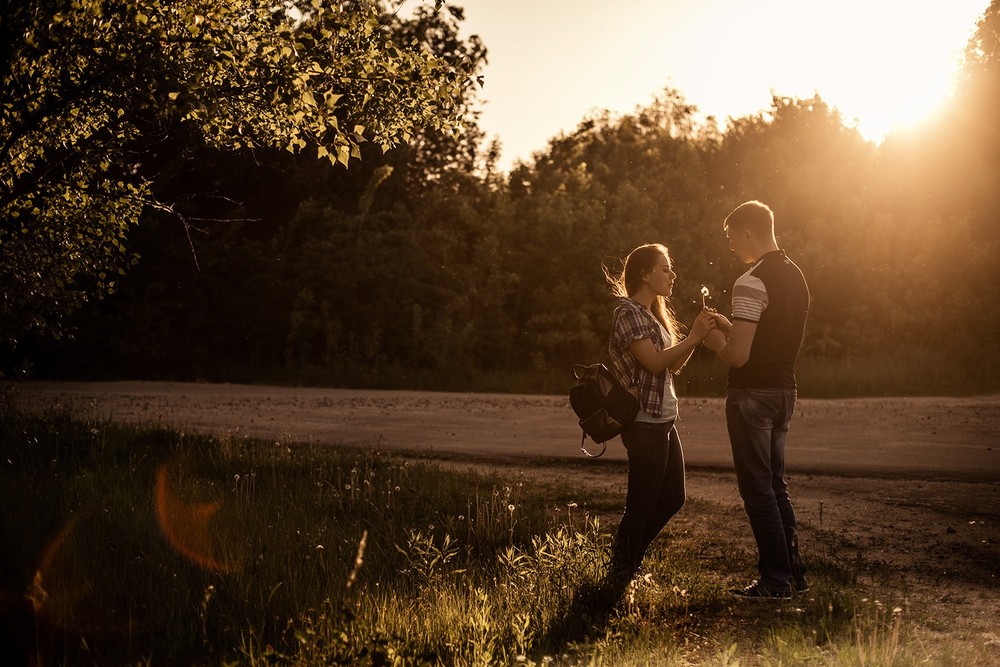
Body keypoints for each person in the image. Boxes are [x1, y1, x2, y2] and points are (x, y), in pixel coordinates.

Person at [702, 201, 810, 600]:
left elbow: (739, 356)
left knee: (757, 489)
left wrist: (710, 339)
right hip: (784, 391)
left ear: (748, 232)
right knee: (776, 485)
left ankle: (775, 580)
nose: (731, 246)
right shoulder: (796, 276)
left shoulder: (751, 280)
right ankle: (794, 574)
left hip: (751, 395)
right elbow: (767, 335)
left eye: (732, 237)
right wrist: (731, 326)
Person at [599, 243, 717, 603]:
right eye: (665, 269)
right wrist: (695, 336)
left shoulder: (652, 315)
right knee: (641, 505)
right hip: (643, 422)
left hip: (663, 419)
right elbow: (652, 363)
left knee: (672, 497)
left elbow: (671, 365)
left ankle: (625, 564)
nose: (672, 275)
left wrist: (696, 337)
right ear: (645, 274)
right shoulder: (628, 312)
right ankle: (618, 576)